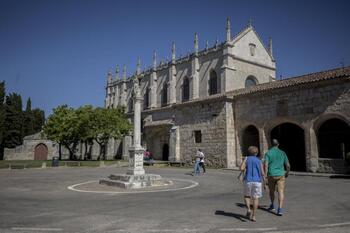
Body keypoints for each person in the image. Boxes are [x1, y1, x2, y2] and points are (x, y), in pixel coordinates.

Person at [264, 139, 290, 216]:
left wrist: (265, 176)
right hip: (281, 174)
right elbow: (288, 165)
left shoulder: (268, 153)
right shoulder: (282, 153)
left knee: (271, 191)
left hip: (271, 174)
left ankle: (272, 205)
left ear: (271, 144)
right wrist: (287, 173)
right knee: (281, 191)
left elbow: (266, 165)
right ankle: (280, 209)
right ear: (278, 144)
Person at [240, 146, 265, 222]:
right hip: (257, 181)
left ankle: (248, 209)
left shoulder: (247, 159)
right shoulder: (259, 160)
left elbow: (241, 168)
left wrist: (245, 160)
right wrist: (265, 183)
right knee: (255, 198)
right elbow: (262, 173)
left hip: (248, 180)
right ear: (256, 153)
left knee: (247, 196)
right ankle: (254, 216)